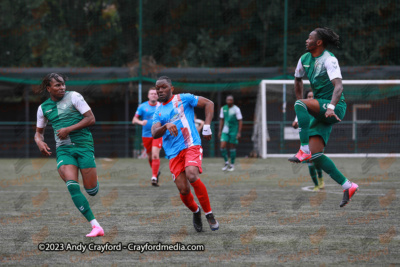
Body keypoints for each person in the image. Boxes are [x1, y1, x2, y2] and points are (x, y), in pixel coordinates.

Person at [289, 27, 358, 207]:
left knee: (300, 104)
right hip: (321, 108)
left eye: (309, 37)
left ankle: (303, 149)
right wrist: (301, 106)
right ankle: (348, 185)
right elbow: (297, 79)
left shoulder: (329, 59)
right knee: (316, 155)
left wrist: (331, 107)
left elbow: (339, 87)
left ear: (319, 42)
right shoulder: (304, 59)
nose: (306, 40)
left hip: (335, 107)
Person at [34, 73, 104, 237]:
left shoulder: (74, 97)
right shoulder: (43, 108)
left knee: (91, 190)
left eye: (63, 84)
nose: (62, 87)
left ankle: (92, 182)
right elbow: (38, 133)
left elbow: (91, 119)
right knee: (72, 186)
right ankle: (95, 226)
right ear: (48, 88)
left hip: (84, 146)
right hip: (64, 150)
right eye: (57, 85)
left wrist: (68, 129)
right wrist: (39, 142)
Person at [151, 76, 219, 232]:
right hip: (173, 154)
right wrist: (166, 125)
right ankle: (196, 212)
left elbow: (209, 103)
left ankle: (209, 214)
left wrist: (207, 125)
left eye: (163, 87)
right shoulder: (158, 111)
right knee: (183, 189)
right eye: (157, 88)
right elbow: (154, 133)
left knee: (192, 174)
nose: (160, 90)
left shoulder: (184, 98)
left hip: (191, 145)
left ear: (171, 88)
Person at [292, 90, 325, 191]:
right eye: (309, 97)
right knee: (310, 161)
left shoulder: (319, 109)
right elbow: (295, 123)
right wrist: (295, 124)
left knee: (316, 159)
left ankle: (320, 179)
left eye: (312, 96)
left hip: (317, 136)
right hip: (307, 138)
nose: (310, 98)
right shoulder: (302, 108)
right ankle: (316, 185)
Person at [132, 88, 162, 186]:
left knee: (154, 155)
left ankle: (154, 177)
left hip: (157, 134)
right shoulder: (142, 106)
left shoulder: (161, 106)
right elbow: (134, 120)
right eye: (151, 93)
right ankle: (156, 172)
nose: (153, 95)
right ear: (148, 96)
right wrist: (141, 122)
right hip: (146, 135)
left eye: (155, 93)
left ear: (158, 96)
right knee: (149, 157)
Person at [218, 95, 243, 171]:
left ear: (233, 101)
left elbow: (240, 121)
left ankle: (232, 164)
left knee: (232, 147)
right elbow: (222, 120)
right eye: (228, 100)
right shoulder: (223, 108)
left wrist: (239, 132)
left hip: (233, 131)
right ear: (226, 101)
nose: (229, 101)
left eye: (230, 100)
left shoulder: (236, 109)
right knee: (222, 146)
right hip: (225, 130)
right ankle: (226, 162)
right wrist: (220, 130)